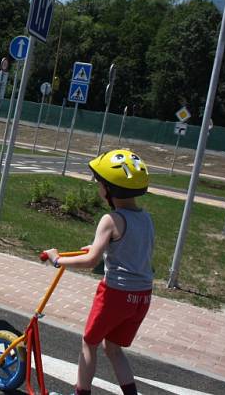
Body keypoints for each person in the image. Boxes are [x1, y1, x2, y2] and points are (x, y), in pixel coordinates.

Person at [44, 149, 153, 395]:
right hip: (142, 296)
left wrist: (58, 259)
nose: (98, 188)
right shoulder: (146, 219)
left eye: (99, 183)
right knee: (113, 347)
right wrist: (102, 249)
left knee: (89, 343)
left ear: (108, 189)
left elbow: (91, 261)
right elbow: (133, 252)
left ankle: (81, 393)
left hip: (116, 294)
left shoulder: (111, 219)